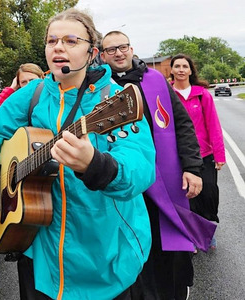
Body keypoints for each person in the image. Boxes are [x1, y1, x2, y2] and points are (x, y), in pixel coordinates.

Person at [0, 8, 156, 300]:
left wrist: (96, 165)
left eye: (70, 41)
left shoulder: (116, 102)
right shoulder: (35, 94)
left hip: (106, 259)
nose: (58, 47)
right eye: (51, 40)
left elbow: (140, 168)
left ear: (92, 51)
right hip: (40, 254)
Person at [100, 31, 216, 300]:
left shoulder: (155, 81)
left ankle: (174, 289)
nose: (118, 53)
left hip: (163, 175)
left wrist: (192, 168)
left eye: (123, 47)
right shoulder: (99, 87)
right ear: (102, 55)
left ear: (131, 49)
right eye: (111, 49)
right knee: (130, 239)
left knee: (168, 237)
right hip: (123, 175)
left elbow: (183, 125)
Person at [170, 53, 226, 249]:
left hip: (205, 154)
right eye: (177, 66)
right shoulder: (167, 93)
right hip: (179, 156)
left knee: (209, 193)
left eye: (185, 66)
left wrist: (219, 155)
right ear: (171, 70)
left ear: (190, 70)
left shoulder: (202, 94)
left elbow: (214, 125)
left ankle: (208, 230)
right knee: (187, 197)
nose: (181, 70)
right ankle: (192, 236)